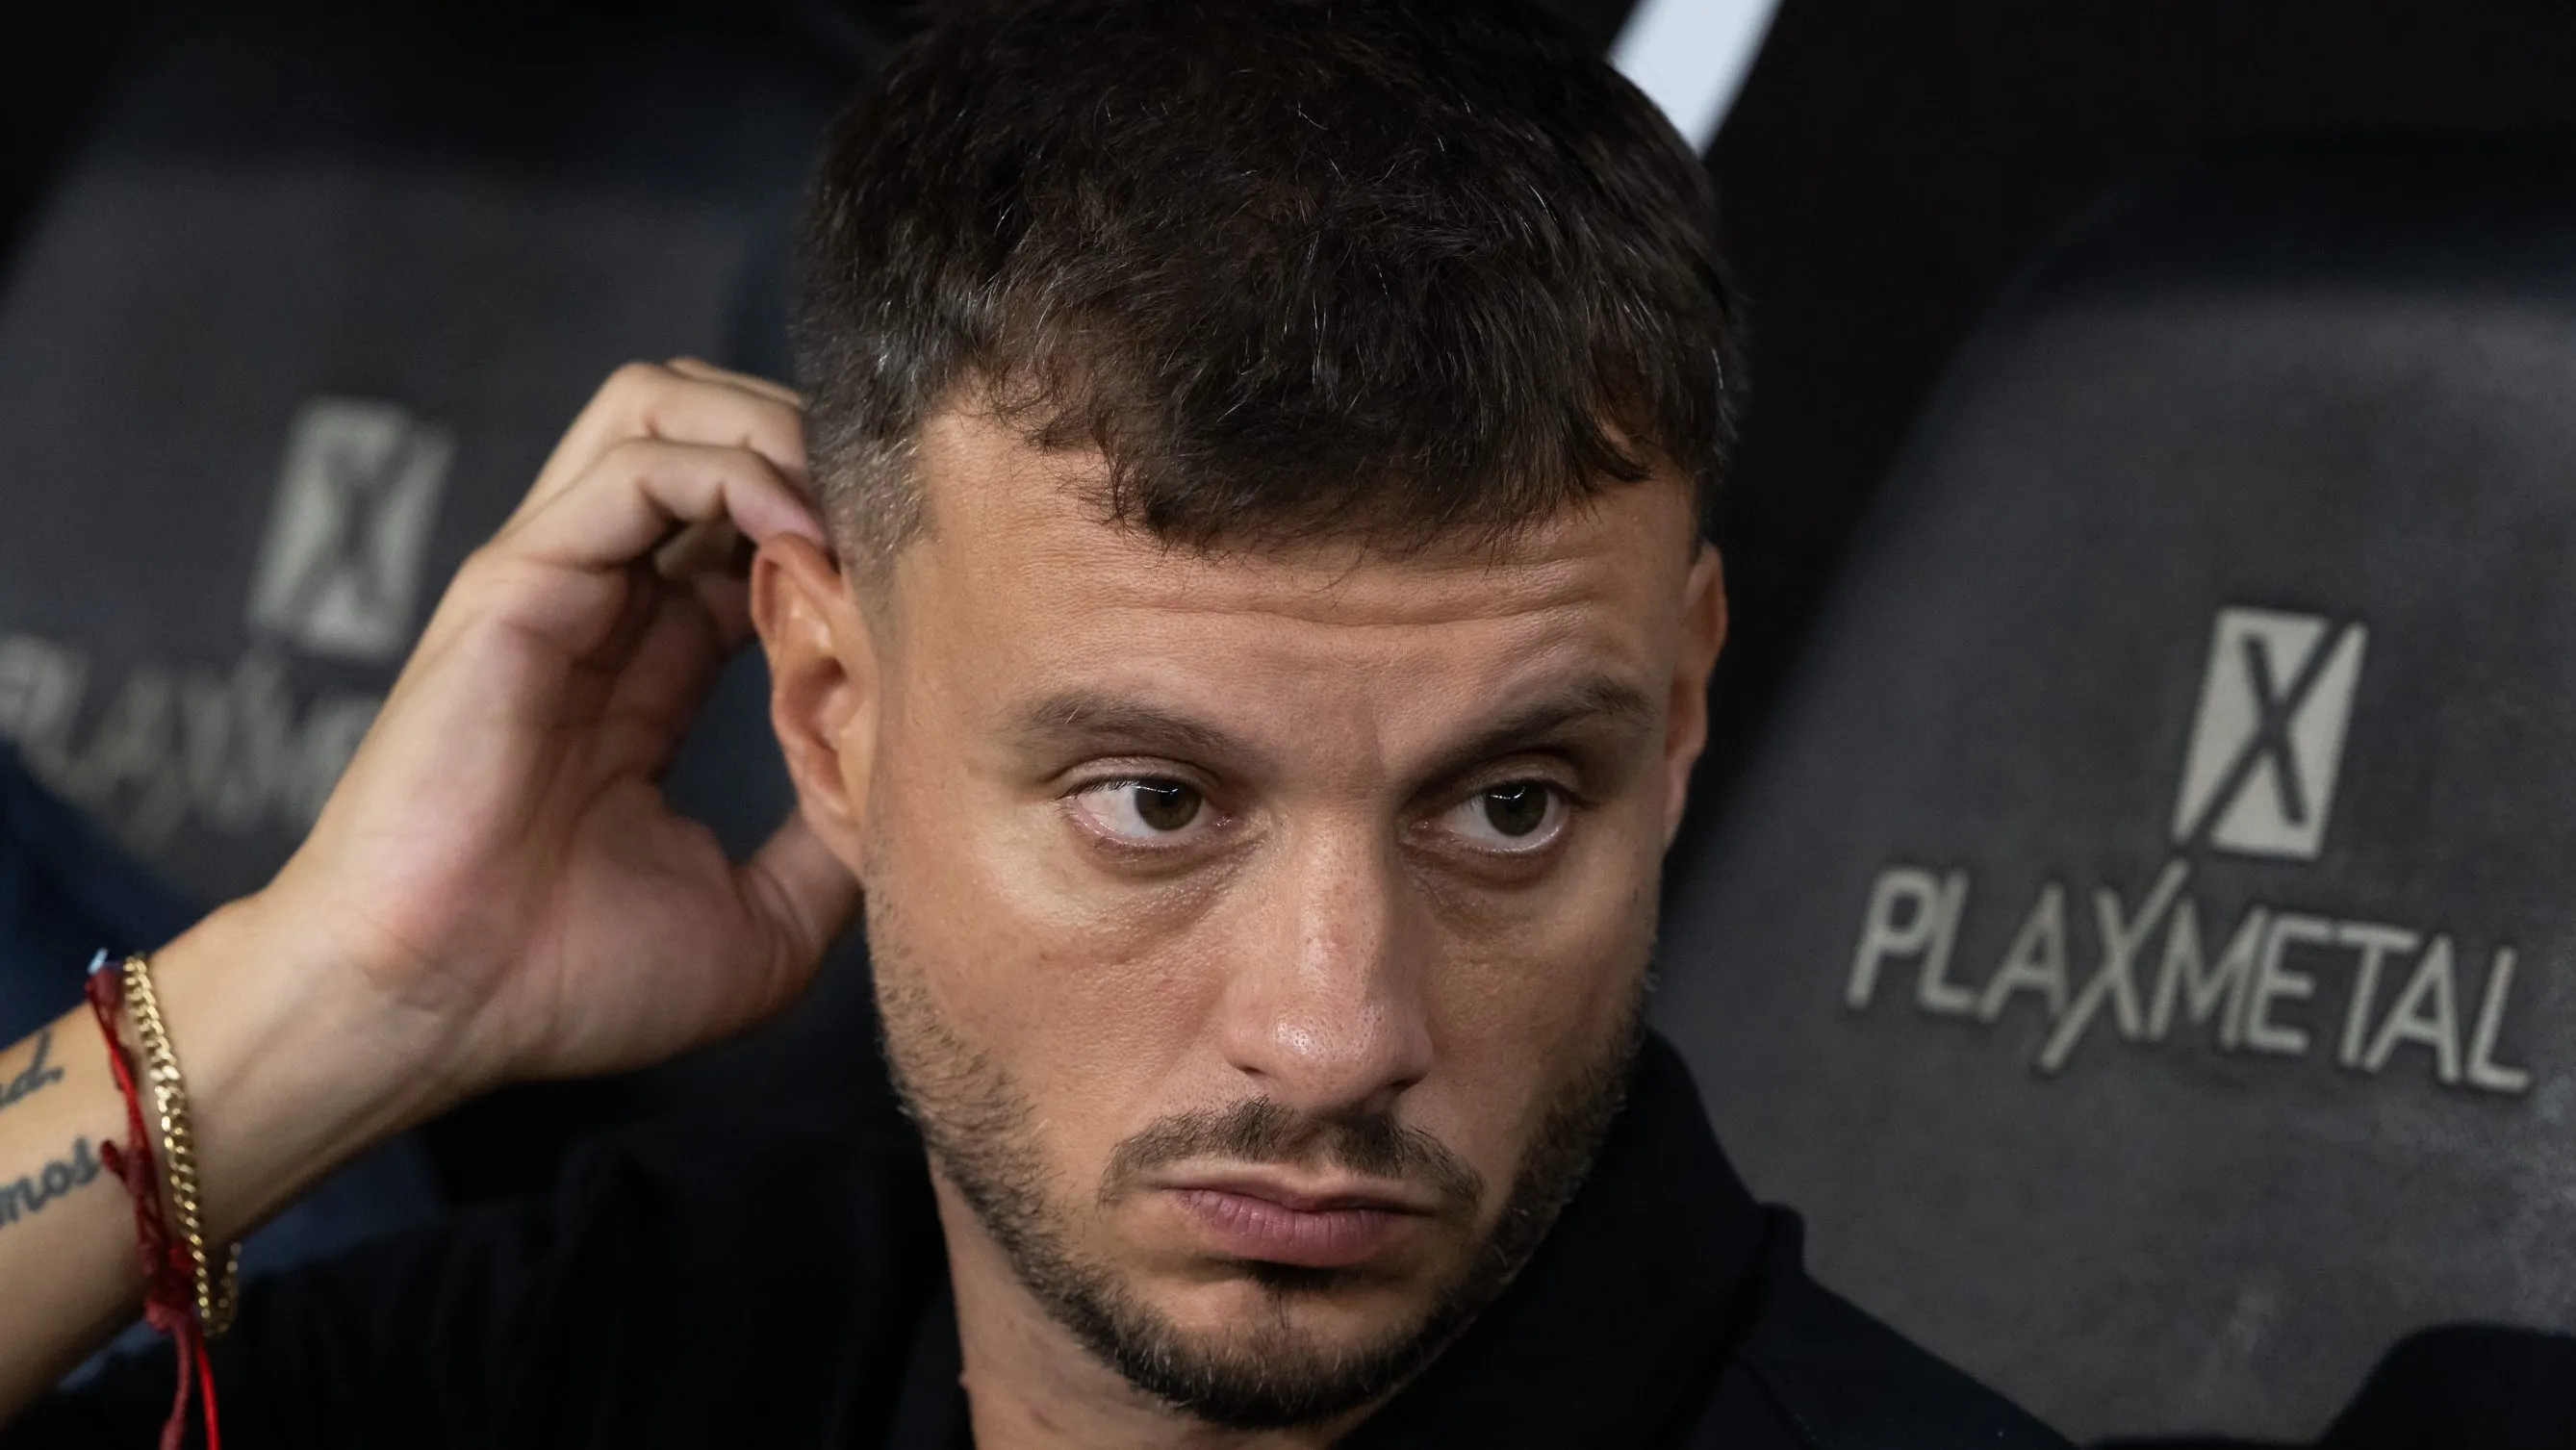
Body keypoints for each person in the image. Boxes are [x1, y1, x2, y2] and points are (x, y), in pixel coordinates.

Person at [0, 2, 2069, 1445]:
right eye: (1158, 801)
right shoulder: (638, 1352)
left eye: (1510, 808)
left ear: (1680, 712)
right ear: (830, 710)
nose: (1335, 1034)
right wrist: (327, 994)